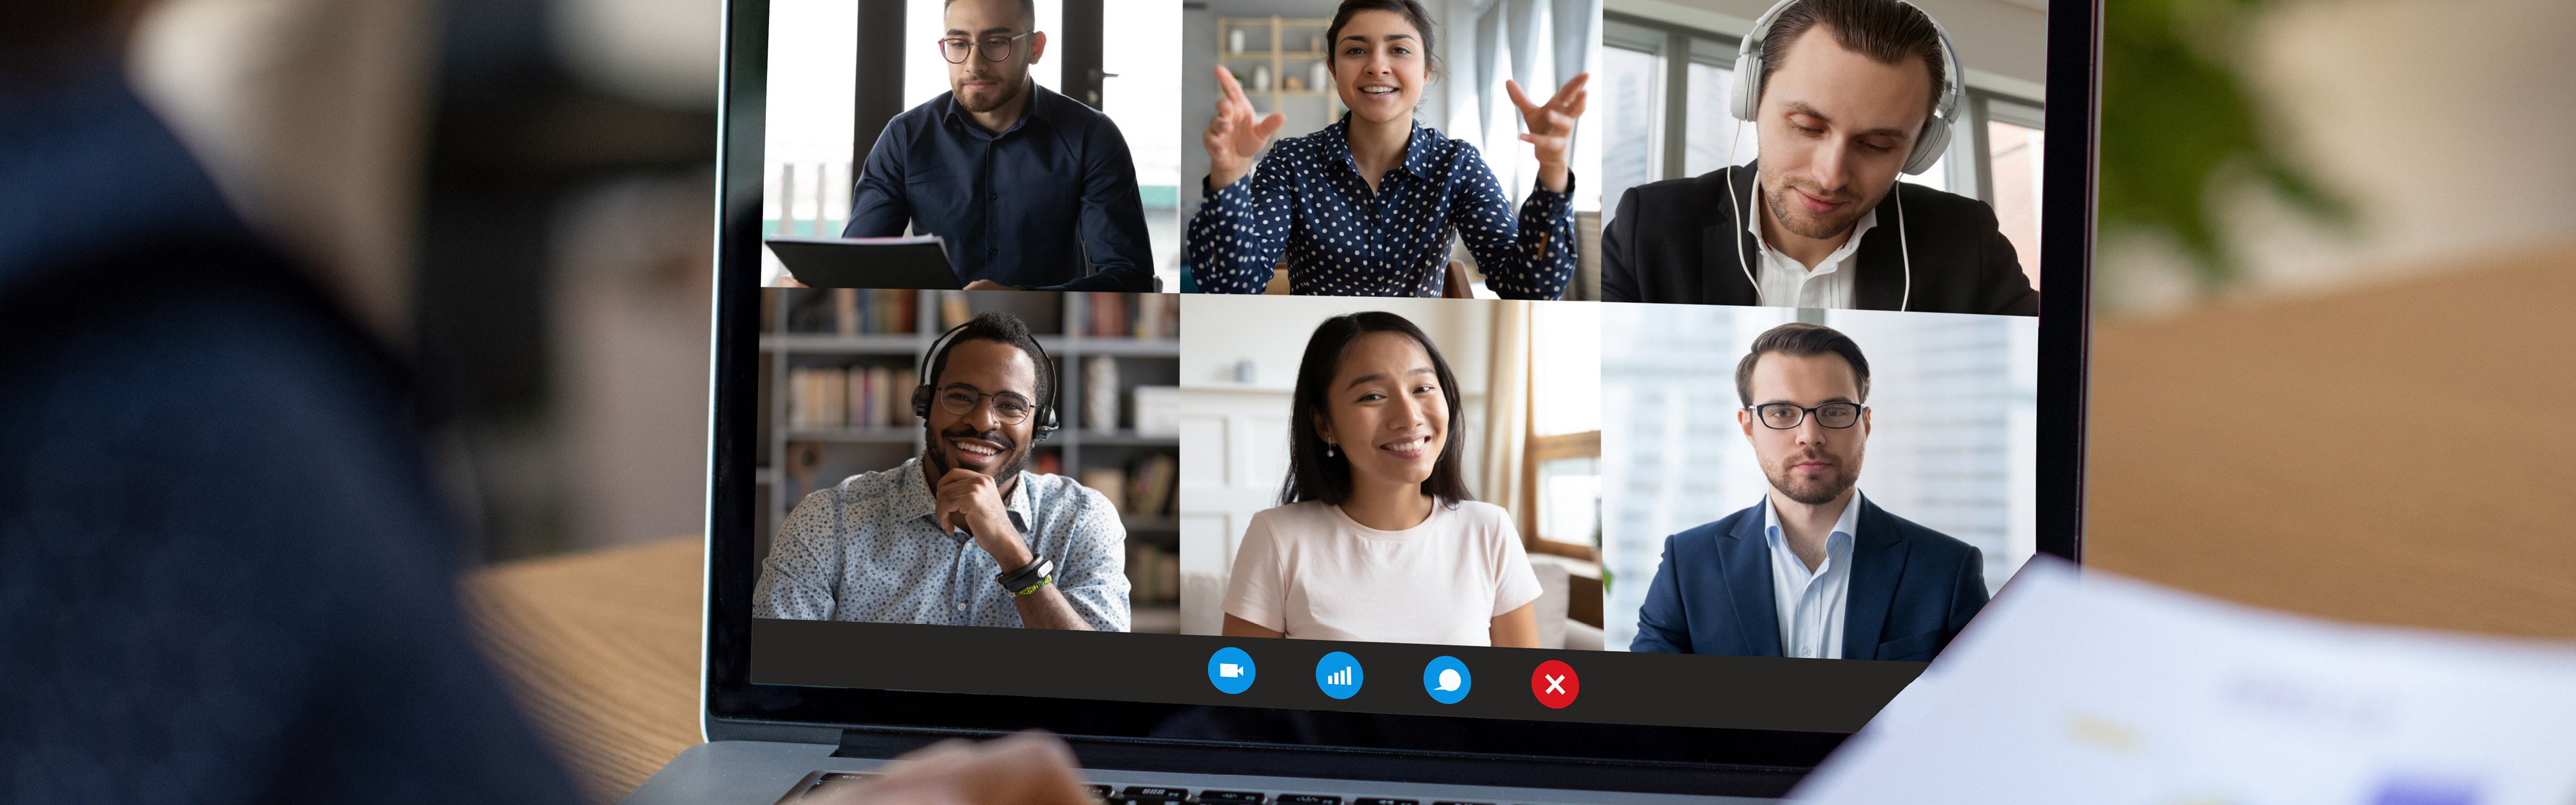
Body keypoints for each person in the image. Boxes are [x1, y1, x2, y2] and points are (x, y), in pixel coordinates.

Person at [1600, 0, 2038, 316]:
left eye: (1877, 146)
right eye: (1807, 128)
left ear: (1922, 147)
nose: (1830, 176)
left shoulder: (1967, 242)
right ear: (1751, 99)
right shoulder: (1650, 227)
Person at [1627, 323, 1987, 660]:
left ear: (1865, 424)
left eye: (1833, 410)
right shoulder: (1687, 563)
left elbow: (1978, 712)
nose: (1809, 436)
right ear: (1749, 427)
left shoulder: (1948, 570)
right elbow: (1645, 703)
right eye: (1782, 412)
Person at [1186, 0, 1587, 299]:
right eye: (1356, 50)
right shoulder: (1291, 162)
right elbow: (1230, 286)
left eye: (1399, 50)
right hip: (1316, 355)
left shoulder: (1458, 165)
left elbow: (1530, 290)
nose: (1377, 66)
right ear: (1332, 68)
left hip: (1417, 357)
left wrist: (1553, 171)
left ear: (1427, 71)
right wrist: (1230, 173)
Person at [757, 310, 1130, 630]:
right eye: (960, 396)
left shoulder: (1083, 519)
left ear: (1040, 426)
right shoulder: (829, 519)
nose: (983, 421)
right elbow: (769, 669)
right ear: (925, 405)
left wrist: (1014, 555)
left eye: (1011, 405)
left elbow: (1106, 680)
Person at [1222, 312, 1542, 647]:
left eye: (1422, 388)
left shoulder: (1490, 529)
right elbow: (1242, 692)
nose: (1409, 417)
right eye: (1372, 396)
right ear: (1324, 424)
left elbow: (1524, 689)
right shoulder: (1278, 537)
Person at [840, 0, 1155, 292]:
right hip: (935, 330)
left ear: (1035, 48)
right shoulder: (905, 136)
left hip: (1047, 333)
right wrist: (810, 285)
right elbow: (855, 268)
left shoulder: (1092, 135)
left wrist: (1019, 298)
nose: (974, 65)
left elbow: (1130, 276)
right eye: (958, 43)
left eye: (995, 43)